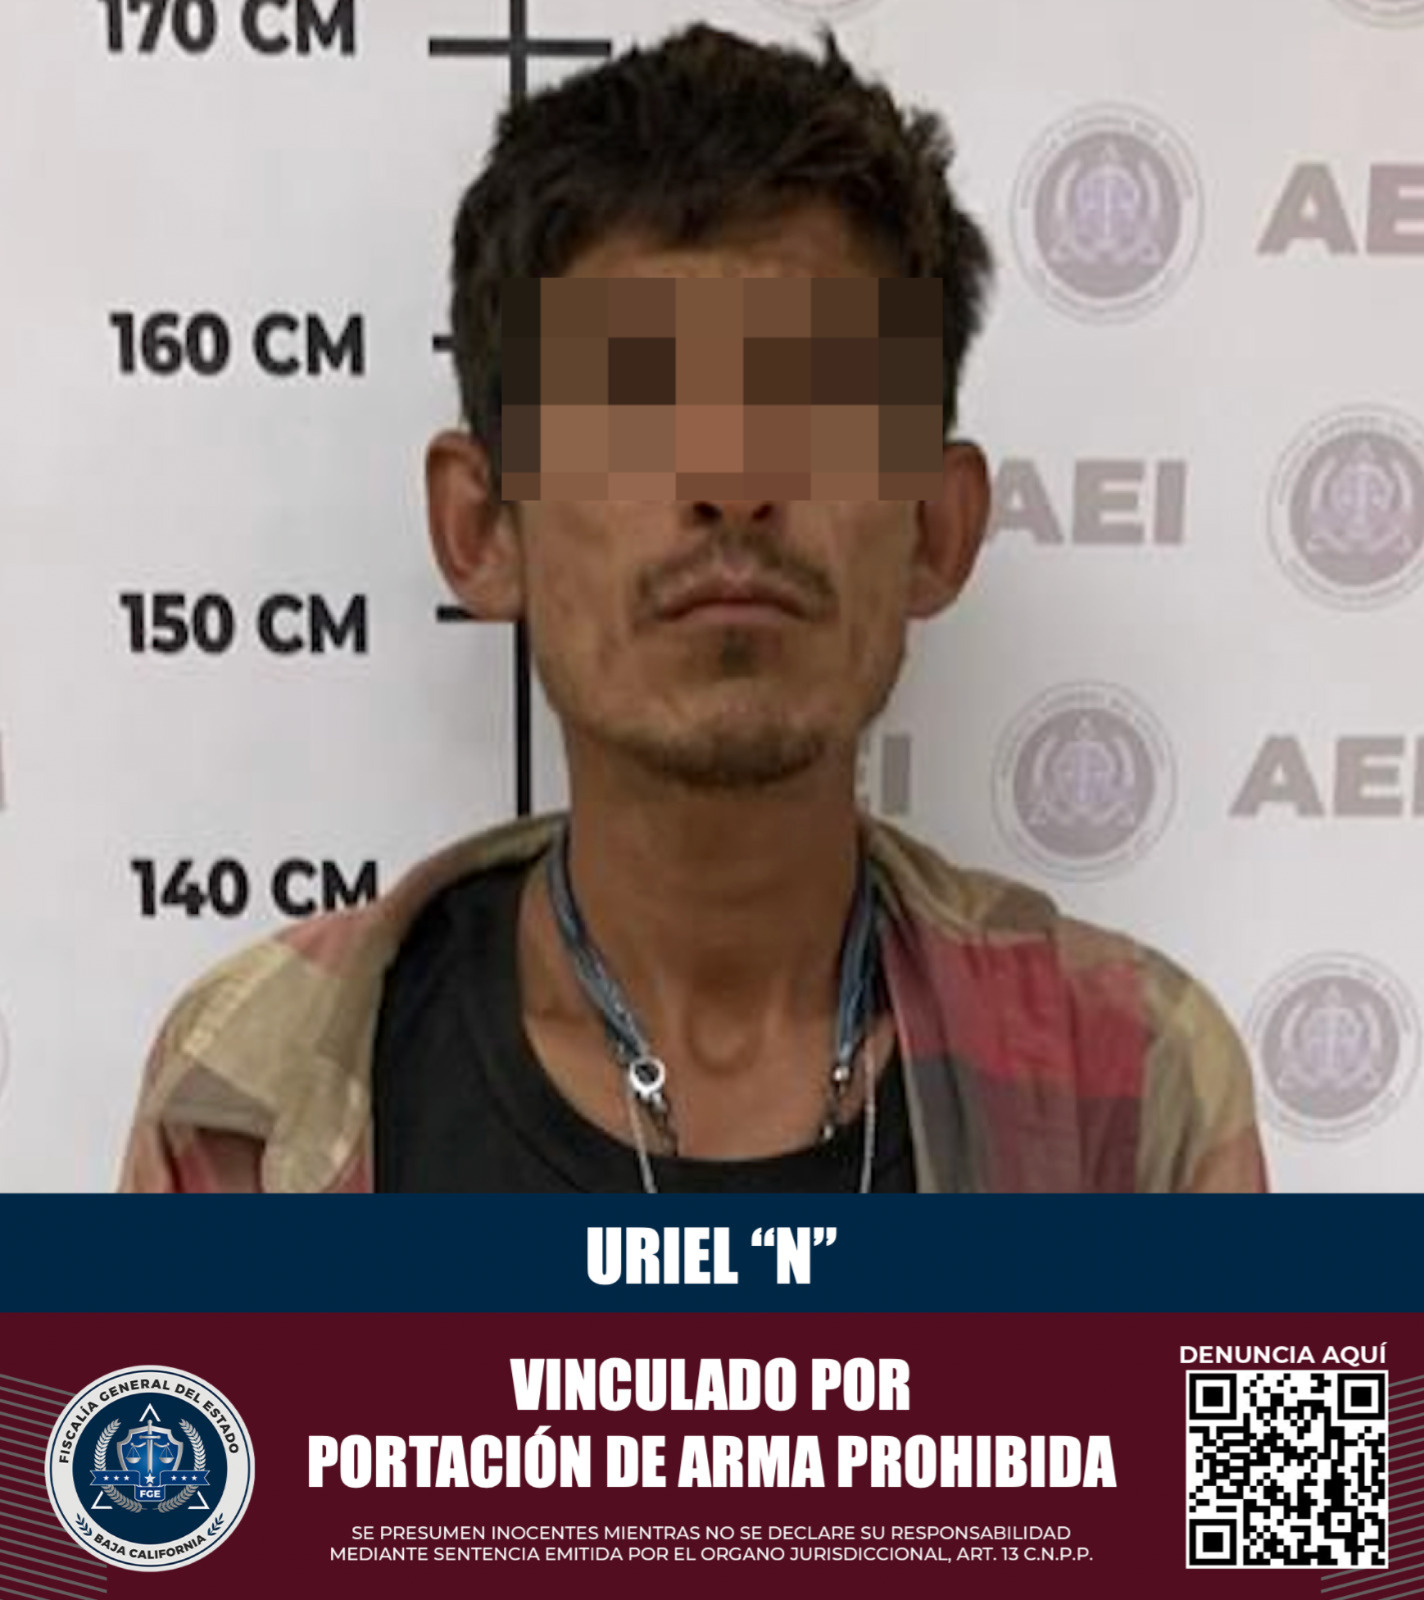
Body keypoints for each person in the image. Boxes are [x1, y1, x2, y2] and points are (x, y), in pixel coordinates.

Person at [120, 23, 1266, 1195]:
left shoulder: (1134, 1083)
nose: (732, 482)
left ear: (933, 526)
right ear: (482, 527)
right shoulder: (252, 1093)